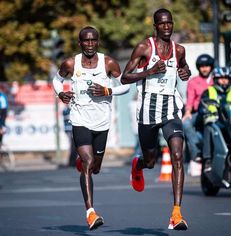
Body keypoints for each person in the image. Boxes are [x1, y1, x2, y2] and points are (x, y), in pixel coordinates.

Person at [52, 26, 129, 230]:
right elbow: (56, 80)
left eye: (93, 40)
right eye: (85, 41)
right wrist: (61, 94)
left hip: (102, 121)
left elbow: (126, 85)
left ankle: (86, 164)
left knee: (95, 167)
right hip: (79, 119)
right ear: (80, 43)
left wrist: (107, 89)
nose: (89, 44)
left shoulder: (108, 62)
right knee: (87, 161)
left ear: (97, 41)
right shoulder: (71, 63)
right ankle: (91, 212)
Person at [121, 8, 191, 230]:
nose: (167, 27)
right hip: (148, 110)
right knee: (151, 161)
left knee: (178, 156)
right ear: (155, 26)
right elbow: (124, 78)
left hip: (171, 108)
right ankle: (139, 164)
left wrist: (185, 72)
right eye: (162, 24)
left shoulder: (179, 50)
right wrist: (148, 71)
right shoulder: (144, 47)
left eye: (169, 23)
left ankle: (176, 213)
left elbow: (183, 68)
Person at [197, 66, 231, 188]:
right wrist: (208, 112)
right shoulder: (209, 91)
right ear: (215, 79)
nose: (224, 81)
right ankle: (208, 159)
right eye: (221, 79)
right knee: (210, 127)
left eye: (226, 79)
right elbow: (202, 106)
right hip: (217, 123)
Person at [182, 54, 214, 164]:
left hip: (215, 113)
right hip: (199, 113)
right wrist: (187, 112)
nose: (204, 68)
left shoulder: (216, 80)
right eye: (202, 66)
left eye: (207, 66)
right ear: (198, 67)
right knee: (185, 123)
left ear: (211, 67)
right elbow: (190, 99)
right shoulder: (193, 81)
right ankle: (197, 151)